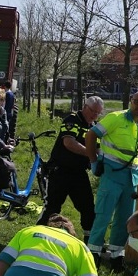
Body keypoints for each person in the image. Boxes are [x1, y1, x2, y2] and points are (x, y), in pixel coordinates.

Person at [85, 89, 138, 269]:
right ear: (131, 100)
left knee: (125, 218)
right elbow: (91, 135)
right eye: (137, 101)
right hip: (112, 173)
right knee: (104, 214)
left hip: (131, 176)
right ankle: (93, 252)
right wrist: (93, 161)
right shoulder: (116, 118)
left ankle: (116, 254)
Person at [37, 96, 105, 243]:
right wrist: (90, 153)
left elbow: (98, 148)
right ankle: (37, 236)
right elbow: (69, 143)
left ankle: (90, 241)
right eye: (93, 111)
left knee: (88, 207)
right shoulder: (72, 120)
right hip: (60, 171)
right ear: (85, 107)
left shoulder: (94, 128)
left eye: (98, 113)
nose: (95, 115)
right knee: (53, 206)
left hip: (79, 173)